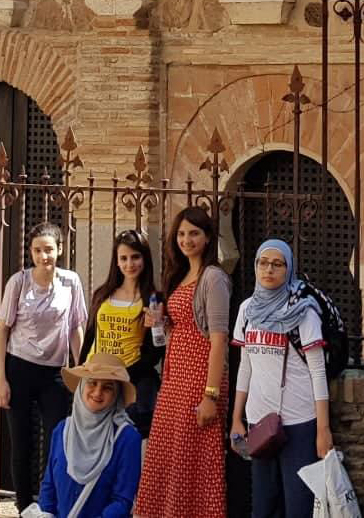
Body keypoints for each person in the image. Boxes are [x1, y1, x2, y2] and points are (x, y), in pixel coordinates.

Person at [134, 206, 231, 518]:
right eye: (181, 234)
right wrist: (159, 323)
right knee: (169, 460)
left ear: (208, 237)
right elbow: (179, 331)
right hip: (175, 379)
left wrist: (210, 395)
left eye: (194, 233)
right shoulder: (181, 275)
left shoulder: (213, 278)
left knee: (194, 462)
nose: (187, 240)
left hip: (199, 379)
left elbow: (219, 340)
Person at [230, 239, 332, 518]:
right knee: (263, 506)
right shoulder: (247, 310)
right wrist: (237, 418)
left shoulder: (302, 311)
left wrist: (323, 429)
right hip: (259, 420)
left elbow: (318, 371)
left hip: (299, 421)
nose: (269, 270)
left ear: (289, 269)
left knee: (298, 505)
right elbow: (245, 367)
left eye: (278, 264)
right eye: (263, 263)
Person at [0, 221, 88, 512]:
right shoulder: (18, 282)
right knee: (22, 442)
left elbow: (76, 327)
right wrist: (0, 379)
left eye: (48, 249)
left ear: (60, 249)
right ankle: (23, 505)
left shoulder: (71, 281)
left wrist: (82, 371)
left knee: (57, 440)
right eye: (37, 250)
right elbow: (2, 330)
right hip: (19, 368)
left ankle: (49, 503)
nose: (43, 256)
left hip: (54, 371)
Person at [79, 228, 163, 438]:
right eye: (123, 258)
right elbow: (90, 337)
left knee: (125, 440)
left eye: (135, 257)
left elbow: (155, 352)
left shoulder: (153, 299)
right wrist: (80, 373)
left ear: (145, 259)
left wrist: (124, 374)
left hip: (132, 380)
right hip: (96, 378)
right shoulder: (102, 294)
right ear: (116, 261)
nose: (129, 264)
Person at [36, 352, 143, 518]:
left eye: (108, 387)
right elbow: (48, 487)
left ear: (117, 395)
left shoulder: (127, 438)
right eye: (92, 383)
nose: (98, 392)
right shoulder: (62, 430)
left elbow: (123, 500)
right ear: (81, 386)